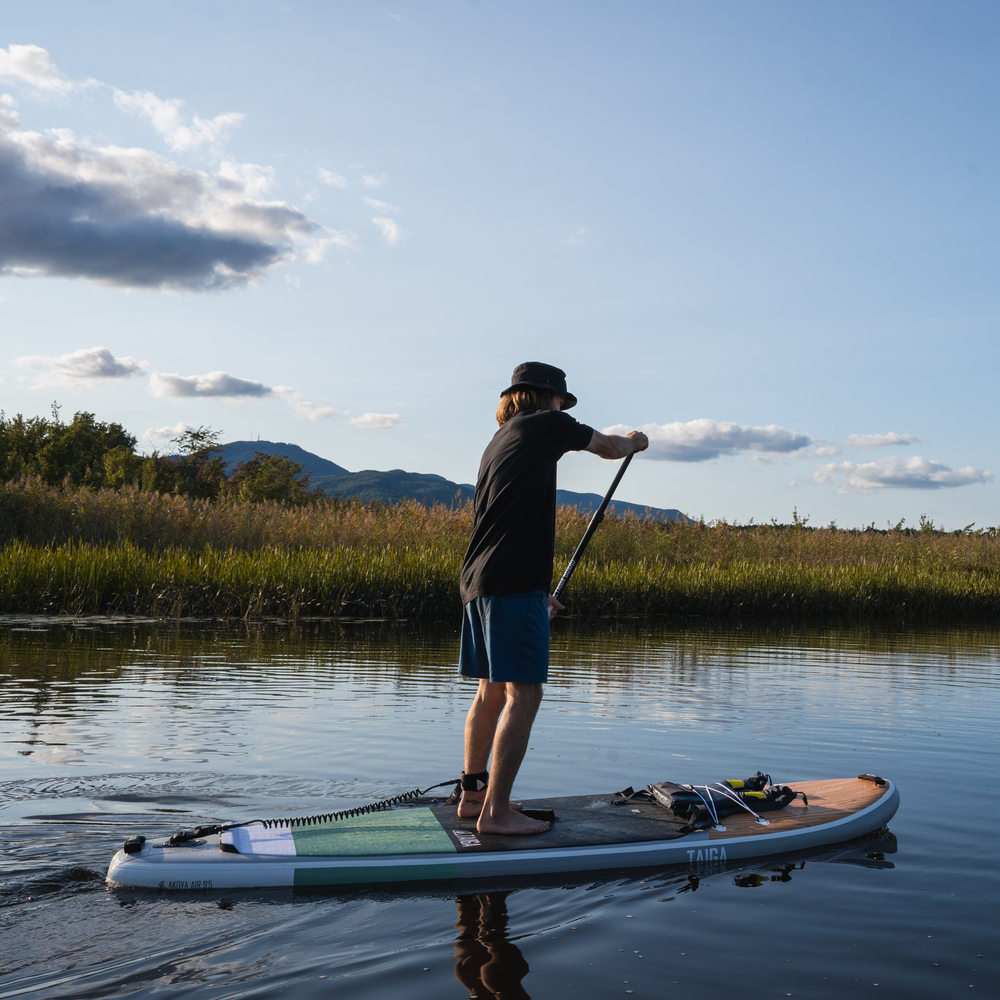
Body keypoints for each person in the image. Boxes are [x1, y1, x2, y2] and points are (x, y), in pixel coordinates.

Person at [457, 362, 649, 835]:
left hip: (480, 582)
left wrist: (537, 594)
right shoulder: (547, 422)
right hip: (512, 583)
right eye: (563, 399)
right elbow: (610, 448)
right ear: (548, 397)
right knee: (524, 694)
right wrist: (635, 442)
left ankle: (473, 796)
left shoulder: (499, 440)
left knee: (489, 690)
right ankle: (496, 814)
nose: (565, 407)